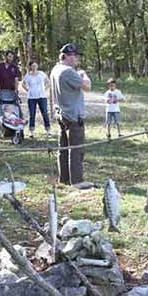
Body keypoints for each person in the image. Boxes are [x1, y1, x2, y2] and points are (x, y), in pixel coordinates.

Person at [50, 44, 94, 190]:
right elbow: (87, 86)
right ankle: (77, 181)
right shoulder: (68, 71)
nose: (77, 58)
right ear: (66, 56)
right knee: (76, 149)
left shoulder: (55, 69)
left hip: (62, 114)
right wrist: (83, 74)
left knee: (63, 148)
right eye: (75, 56)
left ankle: (64, 178)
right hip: (73, 116)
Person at [21, 60, 51, 138]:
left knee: (44, 113)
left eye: (35, 65)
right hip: (31, 98)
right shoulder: (28, 75)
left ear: (37, 66)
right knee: (32, 114)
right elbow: (23, 84)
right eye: (33, 66)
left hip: (42, 97)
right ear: (30, 67)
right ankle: (31, 132)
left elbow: (48, 82)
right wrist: (28, 90)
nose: (34, 67)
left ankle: (48, 130)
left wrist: (45, 89)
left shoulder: (41, 74)